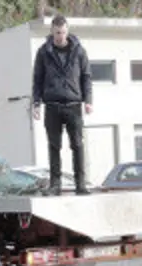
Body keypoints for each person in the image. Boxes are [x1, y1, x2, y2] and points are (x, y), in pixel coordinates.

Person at [30, 15, 92, 195]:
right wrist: (36, 103)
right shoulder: (43, 52)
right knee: (54, 146)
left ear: (67, 31)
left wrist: (88, 101)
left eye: (63, 32)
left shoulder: (79, 51)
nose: (60, 36)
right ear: (52, 31)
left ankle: (81, 184)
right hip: (52, 105)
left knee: (77, 145)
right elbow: (37, 79)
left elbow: (86, 77)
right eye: (57, 33)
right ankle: (55, 184)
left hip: (73, 104)